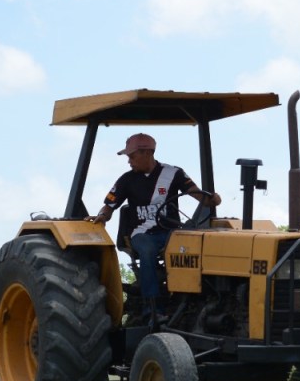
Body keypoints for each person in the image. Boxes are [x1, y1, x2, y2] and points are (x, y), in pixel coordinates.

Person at [86, 132, 221, 321]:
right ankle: (153, 307)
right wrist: (102, 216)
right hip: (141, 233)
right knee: (147, 251)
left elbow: (199, 195)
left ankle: (196, 300)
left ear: (147, 153)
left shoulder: (174, 173)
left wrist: (211, 199)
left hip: (171, 232)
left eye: (132, 156)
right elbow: (109, 206)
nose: (129, 161)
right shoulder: (126, 179)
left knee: (194, 247)